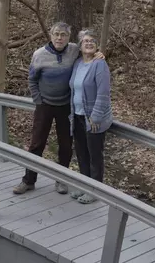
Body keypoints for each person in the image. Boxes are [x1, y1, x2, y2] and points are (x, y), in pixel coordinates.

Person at [13, 22, 103, 195]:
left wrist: (99, 53)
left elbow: (88, 52)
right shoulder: (39, 55)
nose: (59, 38)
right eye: (56, 34)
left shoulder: (73, 51)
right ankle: (28, 180)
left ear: (69, 37)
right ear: (51, 35)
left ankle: (61, 180)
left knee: (66, 145)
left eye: (63, 34)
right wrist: (38, 99)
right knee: (37, 143)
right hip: (45, 105)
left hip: (66, 106)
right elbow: (32, 80)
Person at [68, 29, 112, 204]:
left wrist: (96, 117)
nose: (89, 43)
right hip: (77, 116)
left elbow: (103, 93)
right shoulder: (78, 63)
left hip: (93, 119)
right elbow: (74, 89)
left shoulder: (100, 64)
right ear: (80, 45)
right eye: (85, 41)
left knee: (95, 156)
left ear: (96, 45)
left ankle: (95, 190)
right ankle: (85, 185)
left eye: (92, 41)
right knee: (81, 154)